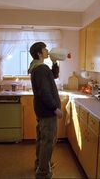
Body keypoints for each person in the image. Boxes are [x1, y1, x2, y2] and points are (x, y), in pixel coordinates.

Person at [28, 42, 63, 179]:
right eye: (45, 49)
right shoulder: (41, 69)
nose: (47, 51)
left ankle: (40, 164)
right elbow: (44, 92)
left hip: (42, 110)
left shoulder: (39, 67)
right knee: (48, 141)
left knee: (42, 139)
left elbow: (53, 76)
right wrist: (55, 108)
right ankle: (43, 172)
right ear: (39, 53)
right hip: (48, 112)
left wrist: (54, 63)